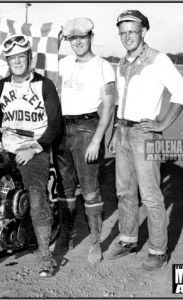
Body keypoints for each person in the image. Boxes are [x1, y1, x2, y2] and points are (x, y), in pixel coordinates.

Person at [107, 10, 183, 271]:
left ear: (143, 32)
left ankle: (158, 251)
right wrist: (115, 132)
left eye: (132, 31)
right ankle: (128, 240)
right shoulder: (122, 61)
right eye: (123, 32)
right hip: (123, 132)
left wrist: (162, 124)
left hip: (148, 134)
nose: (127, 36)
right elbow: (120, 100)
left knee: (151, 196)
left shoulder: (157, 59)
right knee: (125, 191)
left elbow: (181, 90)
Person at [0, 33, 63, 277]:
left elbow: (55, 124)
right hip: (7, 148)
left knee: (37, 198)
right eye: (12, 58)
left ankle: (45, 256)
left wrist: (34, 148)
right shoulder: (2, 85)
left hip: (35, 148)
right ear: (7, 62)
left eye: (21, 57)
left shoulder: (45, 85)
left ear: (30, 58)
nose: (17, 62)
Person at [52, 18, 115, 264]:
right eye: (72, 38)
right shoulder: (64, 63)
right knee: (65, 188)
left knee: (90, 190)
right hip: (62, 128)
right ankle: (65, 234)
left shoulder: (103, 66)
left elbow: (108, 107)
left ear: (91, 37)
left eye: (82, 37)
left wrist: (97, 140)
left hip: (87, 128)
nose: (78, 42)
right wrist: (55, 40)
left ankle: (96, 242)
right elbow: (40, 66)